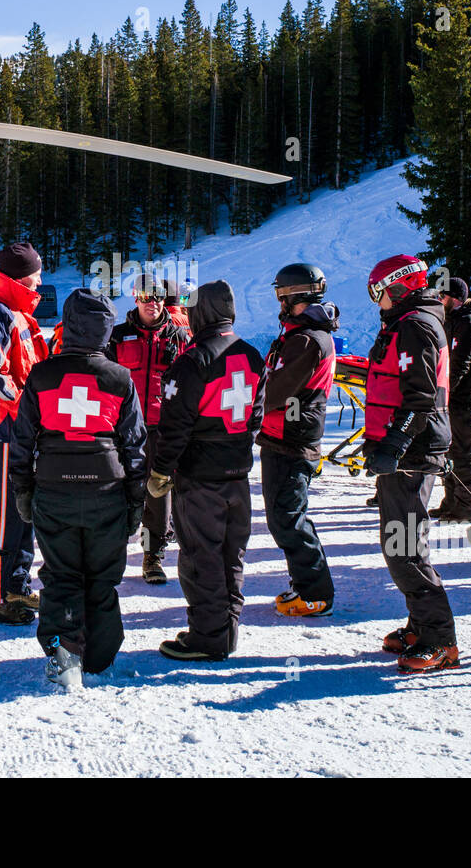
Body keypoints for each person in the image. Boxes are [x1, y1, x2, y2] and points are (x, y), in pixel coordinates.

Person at [8, 288, 148, 684]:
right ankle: (100, 660)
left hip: (54, 491)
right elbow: (135, 444)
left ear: (66, 328)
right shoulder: (119, 378)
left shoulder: (42, 374)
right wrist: (136, 499)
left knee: (62, 574)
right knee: (103, 578)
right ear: (104, 331)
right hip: (108, 492)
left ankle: (65, 654)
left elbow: (22, 440)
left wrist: (22, 488)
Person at [149, 280, 265, 661]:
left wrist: (162, 470)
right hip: (237, 473)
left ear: (200, 313)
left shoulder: (193, 360)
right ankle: (225, 629)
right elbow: (256, 417)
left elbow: (175, 424)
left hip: (200, 476)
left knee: (201, 557)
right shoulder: (251, 354)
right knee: (232, 555)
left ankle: (208, 637)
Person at [360, 254, 457, 674]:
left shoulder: (415, 325)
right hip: (406, 451)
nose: (376, 302)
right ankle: (420, 625)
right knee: (401, 542)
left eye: (377, 293)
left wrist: (393, 446)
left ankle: (440, 640)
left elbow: (420, 398)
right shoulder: (406, 323)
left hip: (412, 453)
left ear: (397, 287)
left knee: (404, 548)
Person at [0, 241, 50, 625]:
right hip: (5, 430)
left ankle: (15, 586)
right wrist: (27, 410)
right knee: (2, 516)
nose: (39, 281)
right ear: (20, 277)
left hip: (23, 430)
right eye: (35, 274)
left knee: (22, 512)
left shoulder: (18, 314)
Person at [259, 263, 339, 616]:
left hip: (291, 440)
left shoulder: (306, 340)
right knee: (285, 518)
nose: (279, 302)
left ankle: (316, 593)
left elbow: (275, 390)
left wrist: (247, 400)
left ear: (293, 295)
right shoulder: (300, 335)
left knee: (289, 519)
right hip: (284, 437)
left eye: (281, 295)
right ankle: (305, 585)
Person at [106, 272, 191, 583]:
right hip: (123, 427)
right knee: (119, 490)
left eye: (156, 296)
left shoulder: (179, 337)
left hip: (161, 427)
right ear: (135, 297)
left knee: (157, 494)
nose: (151, 302)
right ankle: (106, 553)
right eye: (145, 296)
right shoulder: (117, 336)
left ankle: (151, 555)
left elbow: (193, 384)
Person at [432, 277, 471, 523]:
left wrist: (442, 392)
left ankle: (466, 506)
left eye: (441, 296)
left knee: (464, 452)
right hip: (450, 398)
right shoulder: (451, 321)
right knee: (448, 450)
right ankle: (450, 501)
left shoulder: (469, 322)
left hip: (465, 399)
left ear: (453, 298)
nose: (438, 300)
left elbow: (459, 364)